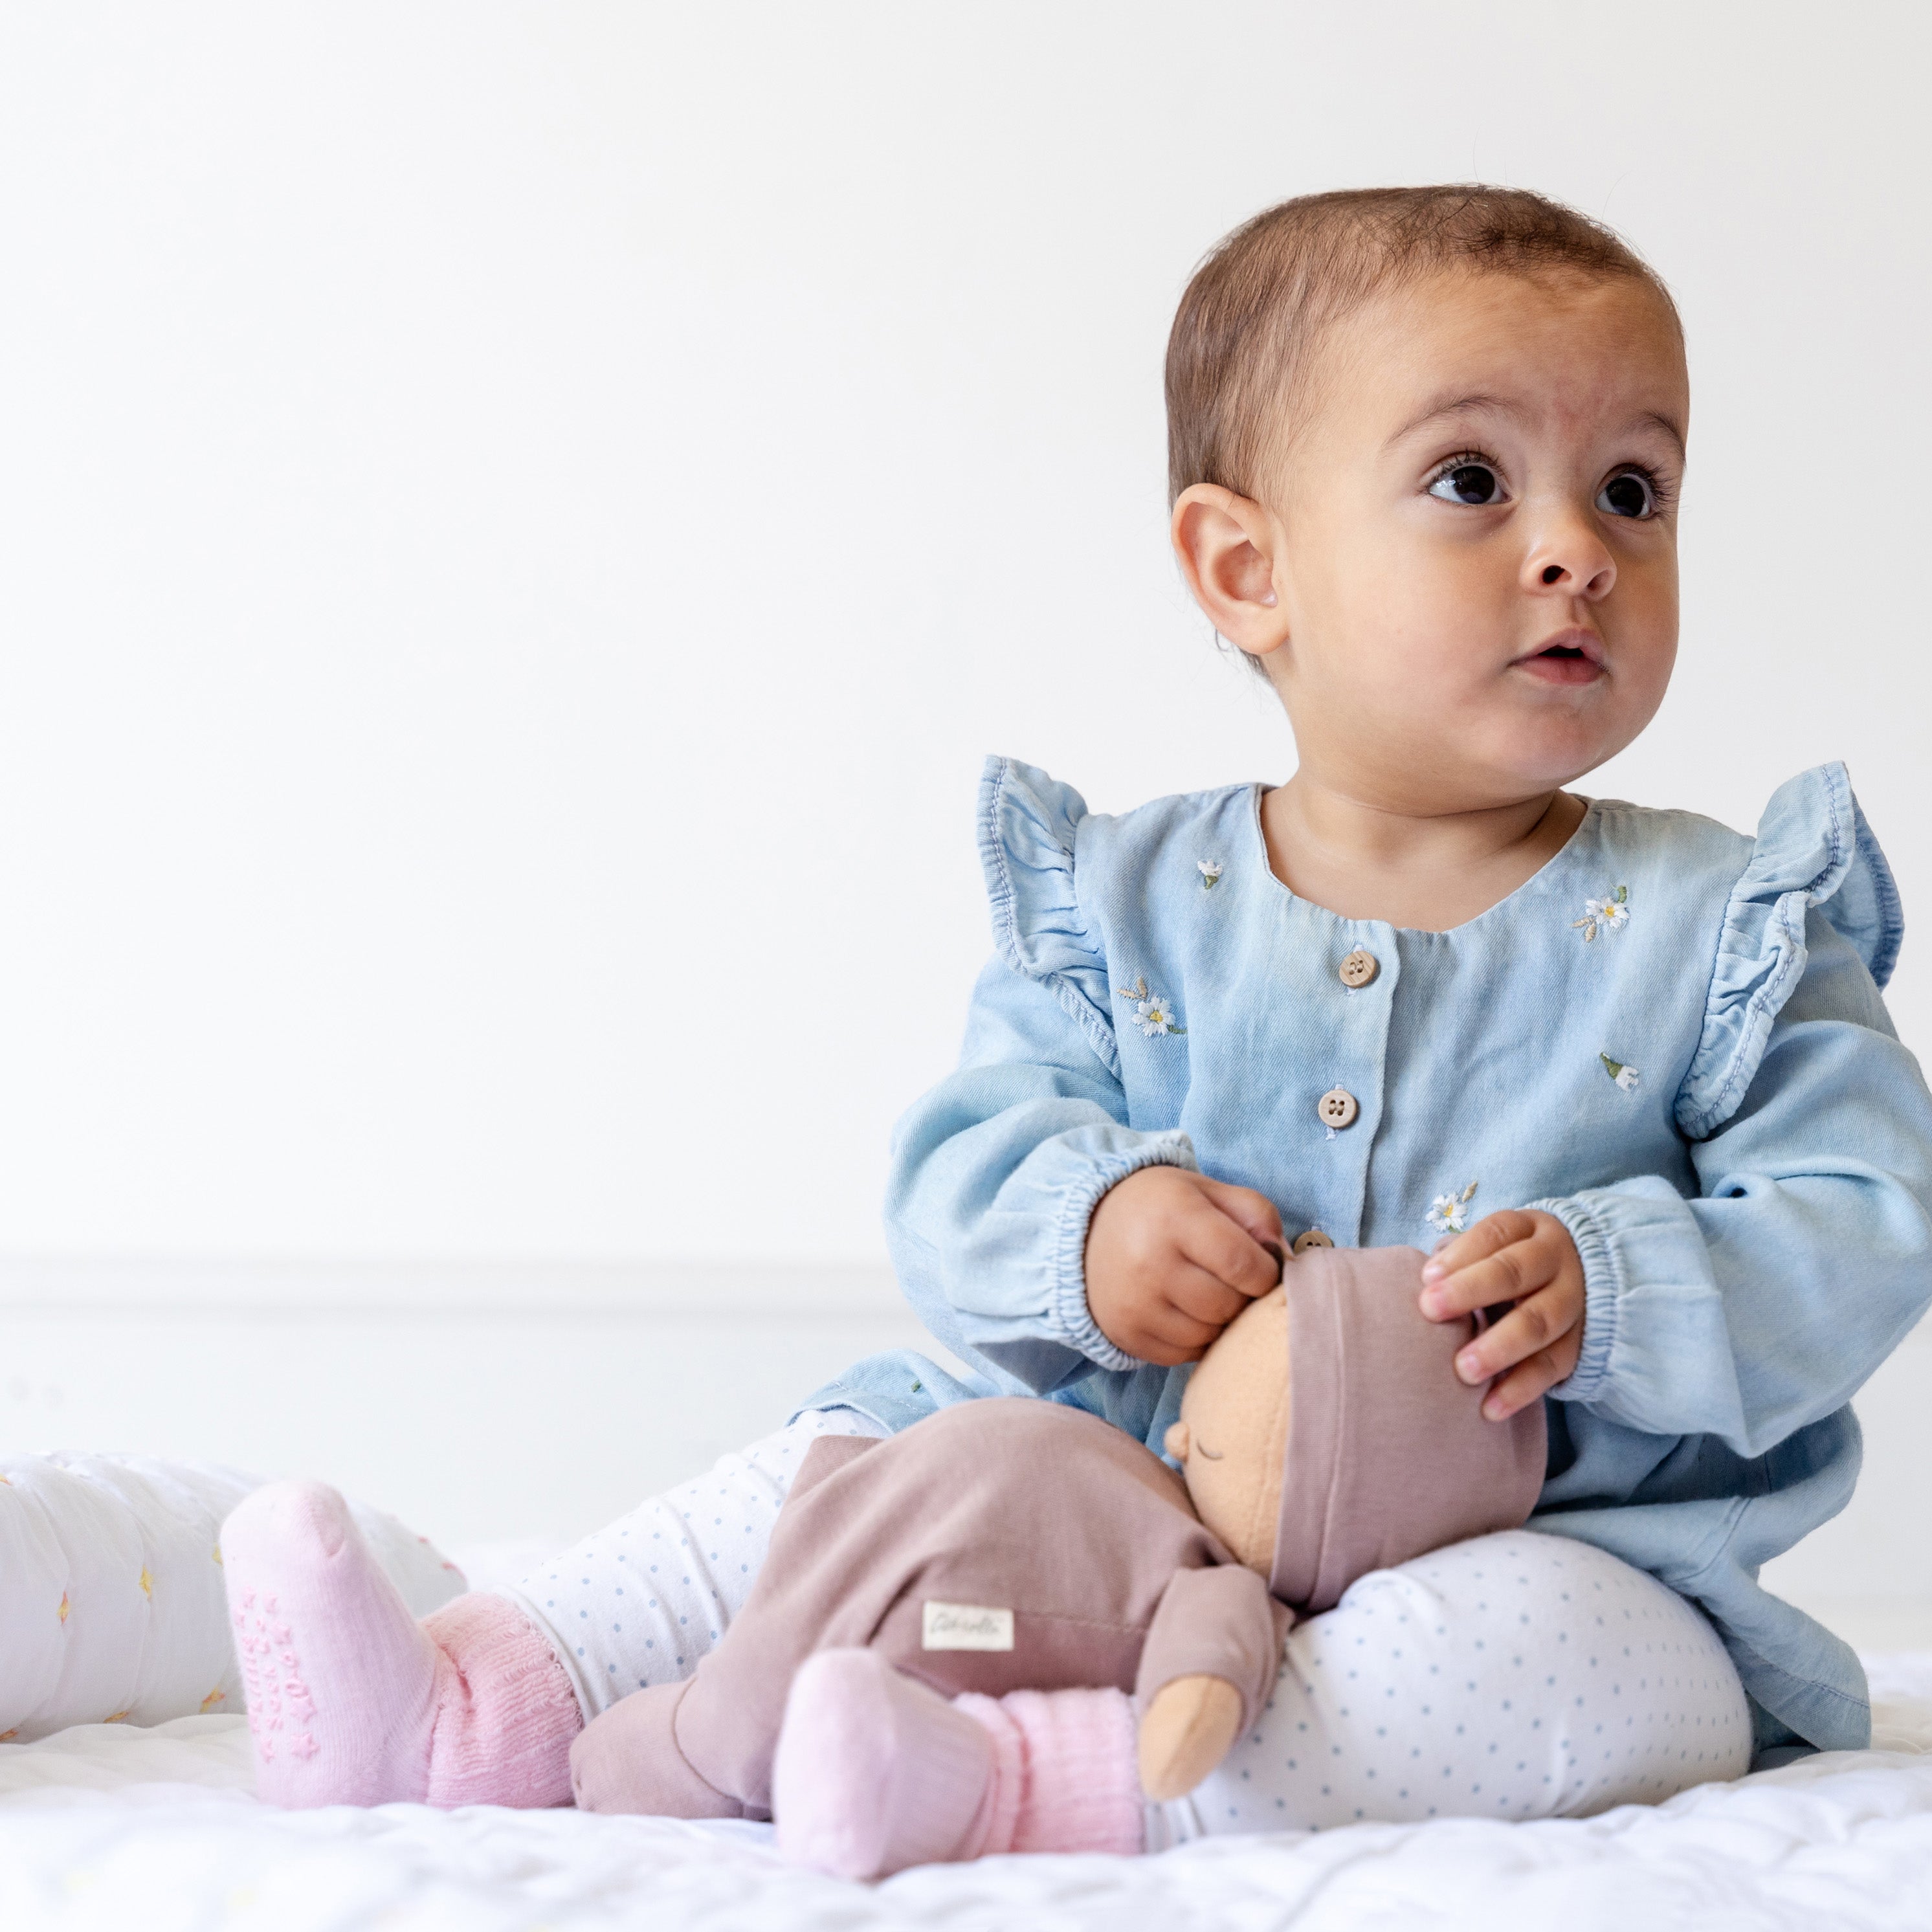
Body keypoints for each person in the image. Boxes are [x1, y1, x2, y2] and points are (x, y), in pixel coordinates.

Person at [220, 185, 1932, 1832]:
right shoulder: (1119, 900)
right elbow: (964, 1166)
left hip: (1544, 1541)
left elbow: (1862, 1222)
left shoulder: (1734, 928)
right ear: (1243, 567)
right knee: (843, 1469)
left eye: (1633, 489)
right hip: (1100, 1498)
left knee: (1587, 1671)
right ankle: (482, 1688)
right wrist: (1093, 1225)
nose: (1575, 552)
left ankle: (1030, 1783)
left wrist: (1618, 1286)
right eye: (1474, 480)